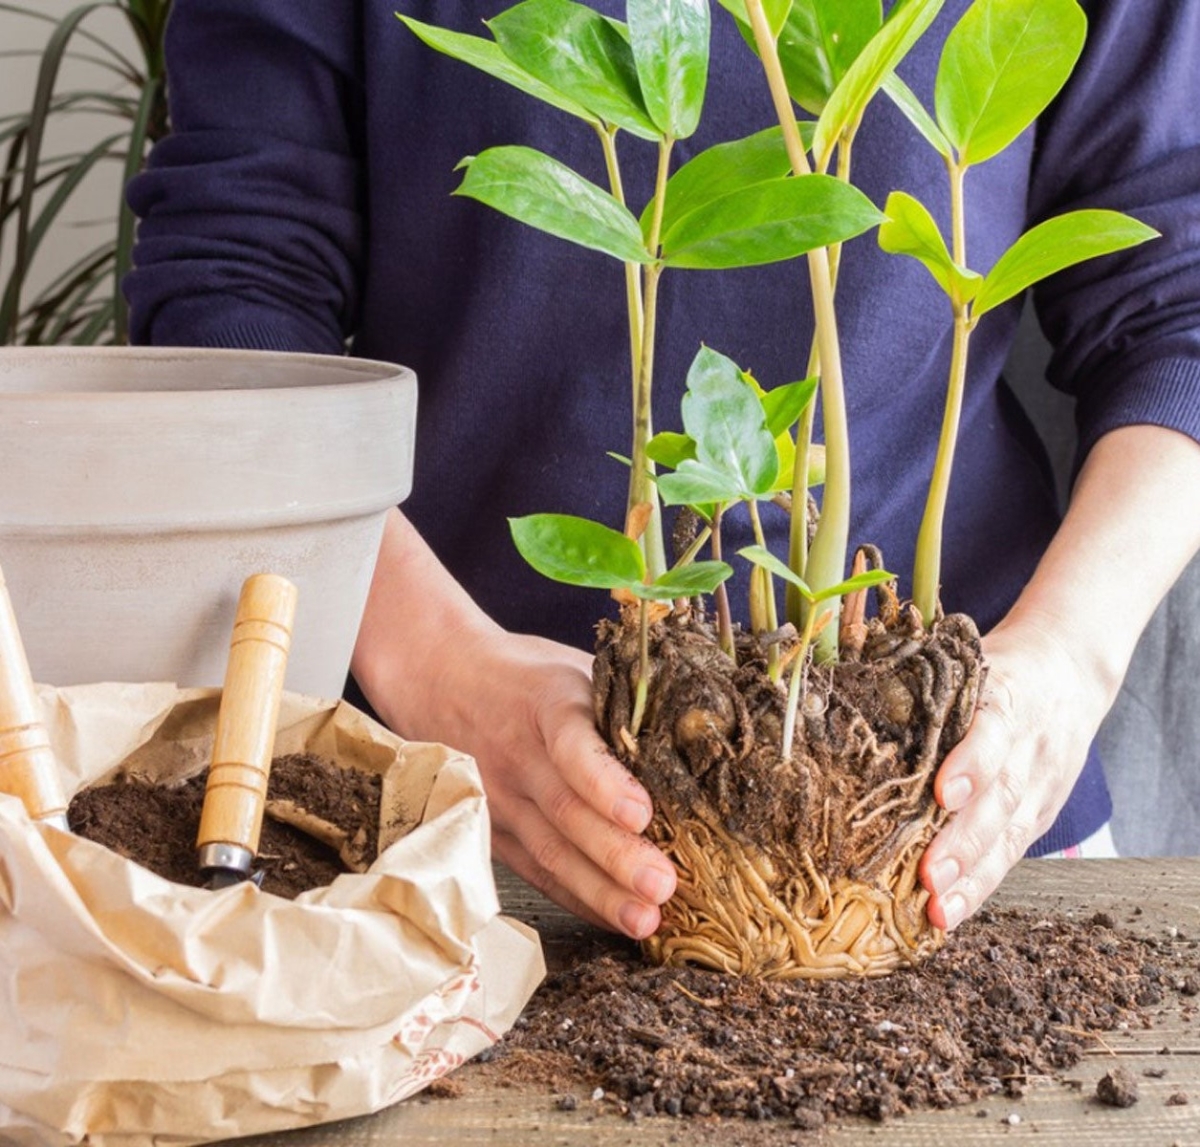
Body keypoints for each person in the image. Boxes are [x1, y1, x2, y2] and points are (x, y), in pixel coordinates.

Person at [124, 0, 1200, 940]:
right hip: (434, 820)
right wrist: (433, 663)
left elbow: (1180, 312)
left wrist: (1067, 663)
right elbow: (230, 305)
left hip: (958, 829)